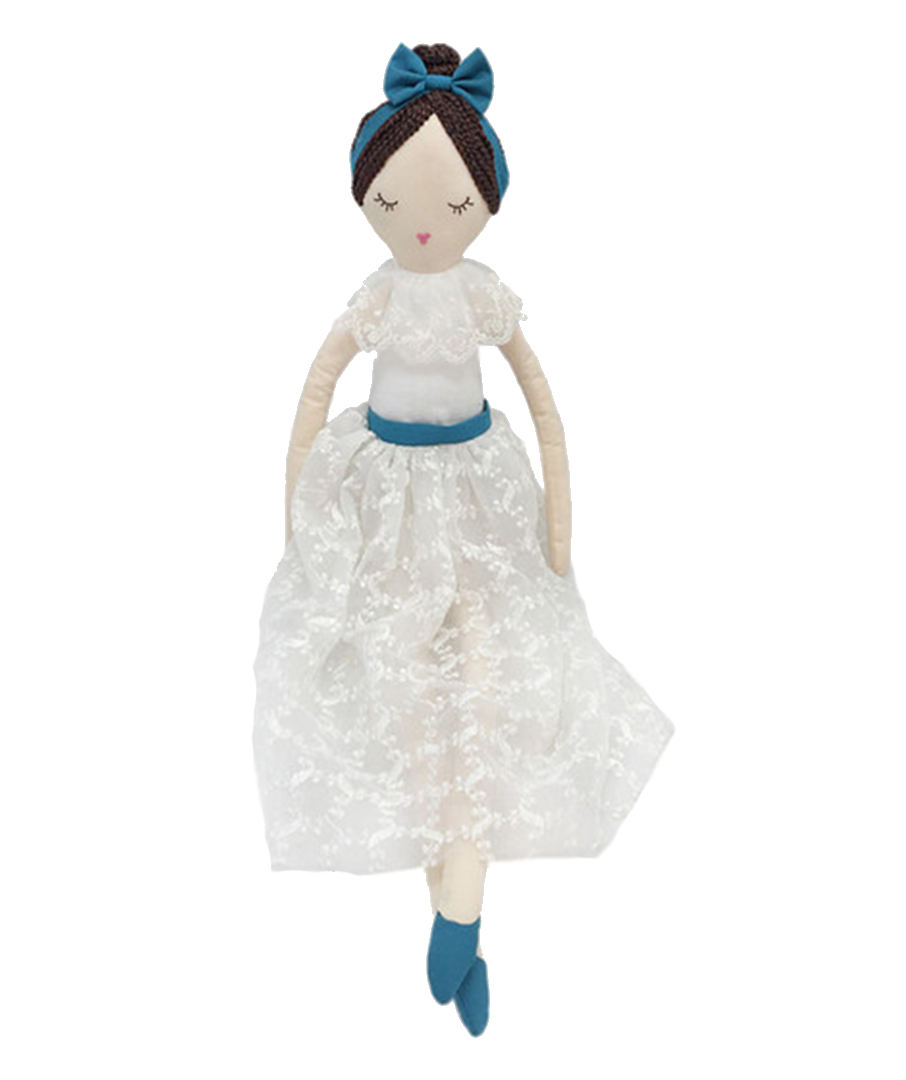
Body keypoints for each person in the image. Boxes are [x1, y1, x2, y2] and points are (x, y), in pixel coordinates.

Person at [252, 42, 674, 1036]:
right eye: (395, 203)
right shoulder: (375, 297)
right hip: (384, 503)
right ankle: (454, 913)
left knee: (483, 685)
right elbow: (315, 395)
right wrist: (302, 524)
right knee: (406, 696)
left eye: (451, 204)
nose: (424, 223)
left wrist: (558, 525)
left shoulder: (483, 294)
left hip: (480, 502)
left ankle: (460, 909)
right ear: (368, 196)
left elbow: (543, 407)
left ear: (484, 203)